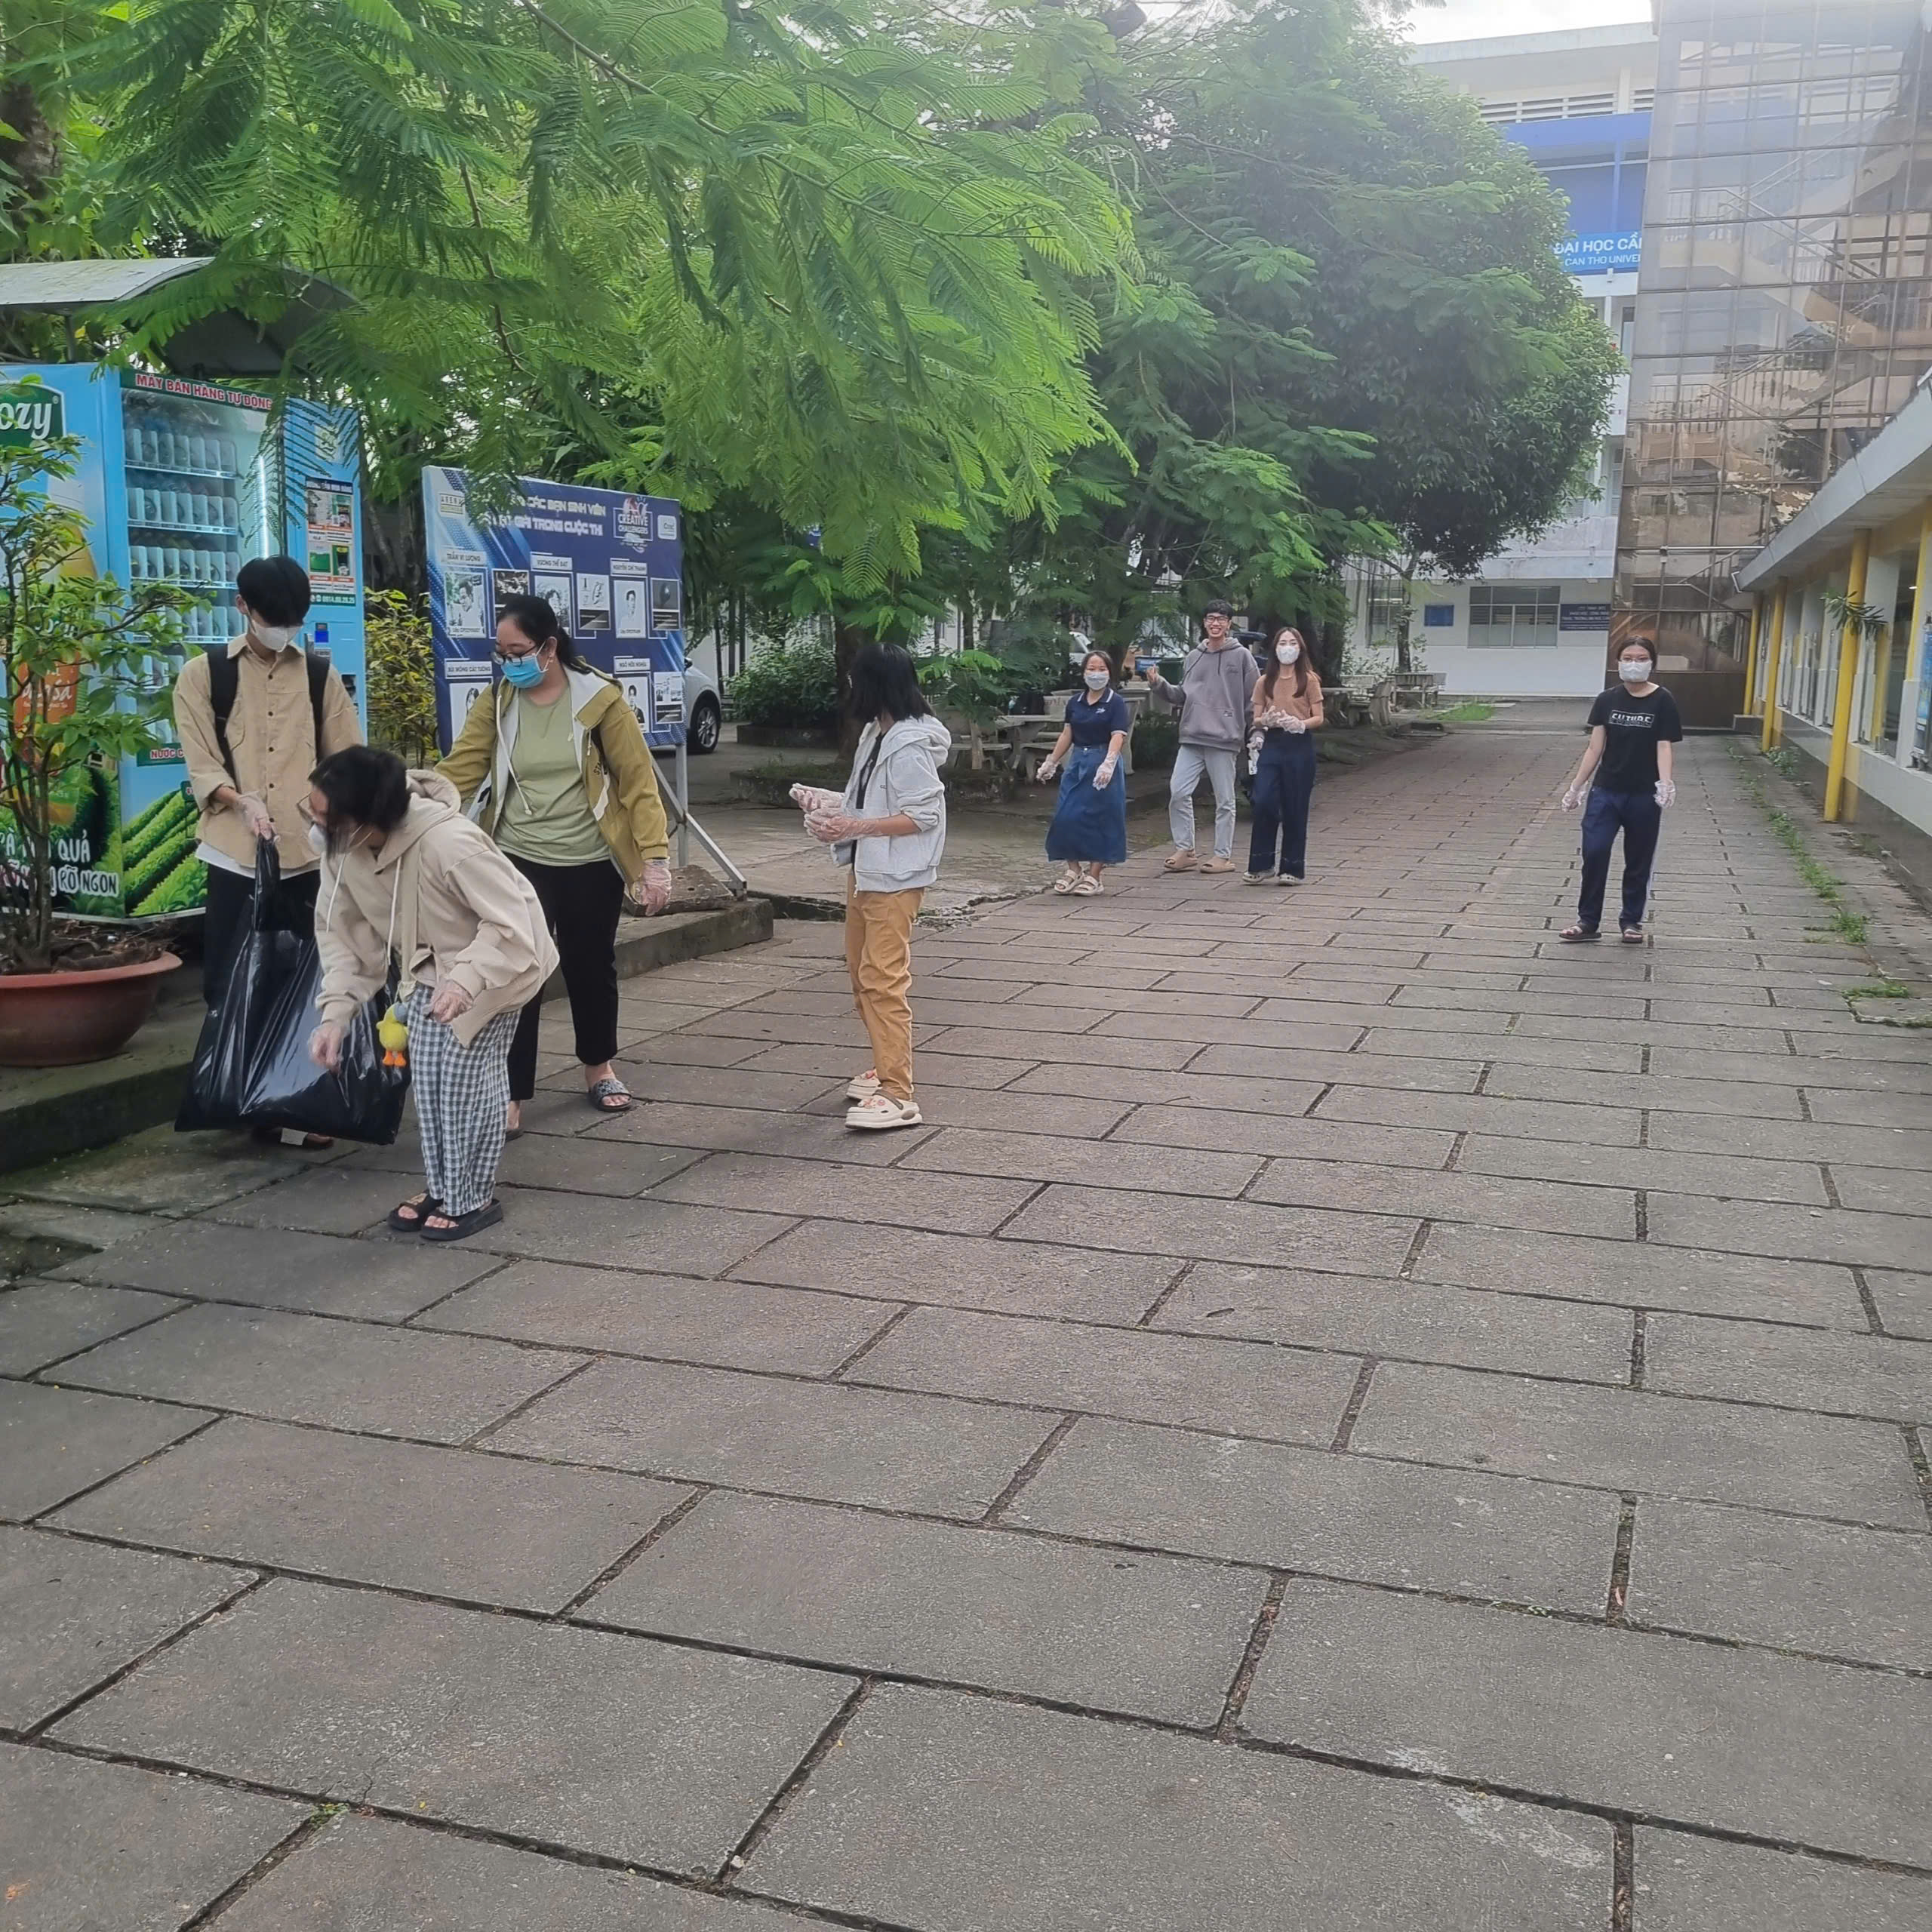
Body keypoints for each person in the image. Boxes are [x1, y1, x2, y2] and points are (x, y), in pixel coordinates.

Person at [438, 593, 672, 1130]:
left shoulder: (599, 700)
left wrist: (654, 859)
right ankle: (511, 1092)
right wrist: (411, 803)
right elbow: (463, 767)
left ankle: (599, 1067)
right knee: (516, 973)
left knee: (590, 965)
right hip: (517, 859)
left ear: (549, 646)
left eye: (518, 651)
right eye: (501, 653)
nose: (509, 662)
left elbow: (638, 783)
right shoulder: (499, 701)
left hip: (590, 858)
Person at [306, 747, 558, 1241]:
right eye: (311, 811)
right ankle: (444, 1188)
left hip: (501, 963)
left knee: (465, 1082)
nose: (315, 825)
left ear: (367, 817)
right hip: (428, 968)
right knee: (430, 1083)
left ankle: (473, 1198)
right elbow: (345, 940)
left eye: (325, 817)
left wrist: (465, 980)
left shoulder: (451, 842)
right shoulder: (342, 851)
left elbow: (510, 925)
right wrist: (335, 1016)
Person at [173, 554, 361, 1147]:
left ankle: (299, 1100)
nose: (284, 631)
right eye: (273, 619)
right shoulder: (203, 675)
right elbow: (202, 763)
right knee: (232, 978)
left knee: (306, 977)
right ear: (243, 608)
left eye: (293, 622)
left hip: (306, 852)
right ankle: (246, 1097)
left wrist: (332, 812)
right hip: (235, 851)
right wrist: (241, 801)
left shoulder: (319, 676)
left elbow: (346, 759)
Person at [793, 643, 951, 1131]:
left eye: (855, 679)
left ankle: (898, 1092)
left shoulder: (907, 746)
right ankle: (886, 1067)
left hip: (895, 880)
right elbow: (867, 799)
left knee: (883, 979)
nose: (849, 688)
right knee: (862, 975)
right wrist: (829, 803)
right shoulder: (875, 734)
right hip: (867, 872)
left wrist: (853, 826)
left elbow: (923, 815)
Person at [1560, 638, 1682, 943]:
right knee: (1595, 852)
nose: (1634, 664)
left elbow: (1664, 746)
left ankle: (1631, 921)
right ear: (1618, 662)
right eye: (1628, 658)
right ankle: (1588, 921)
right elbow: (1595, 748)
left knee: (1638, 859)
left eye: (1641, 658)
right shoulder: (1607, 700)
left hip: (1643, 795)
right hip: (1606, 792)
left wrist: (1665, 782)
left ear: (1651, 663)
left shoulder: (1663, 700)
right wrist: (1577, 786)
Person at [1145, 599, 1258, 873]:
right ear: (1204, 623)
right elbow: (1182, 695)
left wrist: (1255, 731)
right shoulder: (1193, 657)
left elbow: (1254, 699)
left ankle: (1223, 855)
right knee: (1178, 792)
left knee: (1225, 801)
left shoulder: (1242, 656)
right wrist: (1159, 684)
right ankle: (1186, 849)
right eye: (1210, 618)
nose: (1215, 623)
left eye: (1221, 619)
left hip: (1225, 738)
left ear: (1229, 624)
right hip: (1192, 737)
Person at [1036, 651, 1129, 894]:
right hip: (1078, 761)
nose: (1096, 674)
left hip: (1103, 761)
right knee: (1066, 815)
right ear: (1084, 672)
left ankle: (1095, 875)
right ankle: (1073, 868)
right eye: (1091, 669)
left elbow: (1118, 735)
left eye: (1102, 669)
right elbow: (1068, 733)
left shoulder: (1115, 702)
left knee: (1101, 818)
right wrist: (1052, 761)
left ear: (1110, 673)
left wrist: (1109, 762)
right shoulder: (1075, 702)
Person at [1244, 626, 1324, 885]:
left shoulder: (1309, 680)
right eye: (1282, 643)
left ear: (1300, 648)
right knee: (1263, 800)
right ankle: (1261, 863)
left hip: (1299, 745)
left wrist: (1300, 724)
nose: (1287, 648)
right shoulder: (1264, 681)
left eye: (1292, 643)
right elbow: (1256, 718)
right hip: (1272, 743)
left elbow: (1319, 717)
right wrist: (1264, 721)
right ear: (1274, 648)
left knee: (1295, 807)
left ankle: (1292, 868)